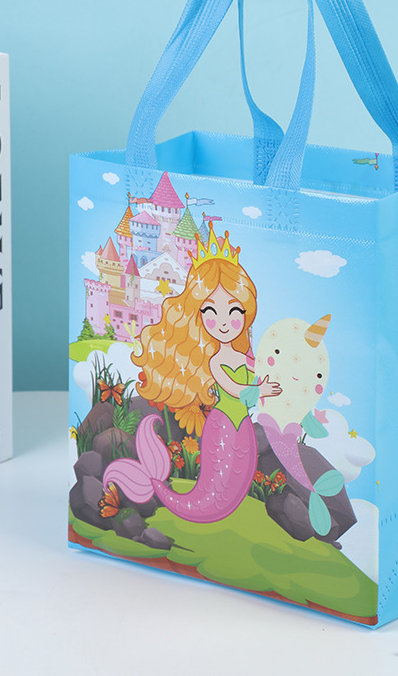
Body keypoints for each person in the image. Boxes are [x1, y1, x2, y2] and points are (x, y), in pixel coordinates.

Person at [102, 223, 280, 523]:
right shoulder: (215, 361)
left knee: (235, 481)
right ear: (198, 314)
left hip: (242, 431)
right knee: (215, 485)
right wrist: (260, 391)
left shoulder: (241, 355)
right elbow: (234, 389)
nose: (223, 322)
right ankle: (162, 490)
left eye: (234, 311)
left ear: (246, 313)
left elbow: (258, 368)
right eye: (212, 312)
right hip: (223, 427)